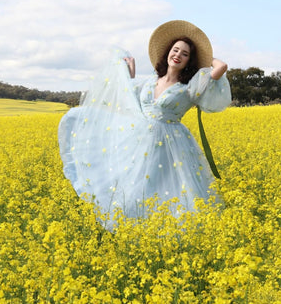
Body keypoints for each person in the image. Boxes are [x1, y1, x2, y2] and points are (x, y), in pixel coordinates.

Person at [58, 20, 231, 228]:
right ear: (168, 52)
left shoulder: (191, 86)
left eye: (185, 54)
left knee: (166, 188)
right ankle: (131, 227)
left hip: (171, 144)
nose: (177, 55)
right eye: (175, 50)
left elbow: (221, 67)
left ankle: (166, 231)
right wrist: (131, 72)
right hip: (139, 139)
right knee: (133, 185)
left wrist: (202, 56)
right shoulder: (151, 81)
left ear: (189, 60)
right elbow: (129, 96)